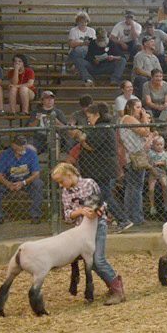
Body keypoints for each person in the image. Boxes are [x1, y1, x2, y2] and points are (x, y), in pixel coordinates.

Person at [52, 162, 126, 305]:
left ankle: (118, 291)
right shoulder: (66, 192)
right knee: (90, 263)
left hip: (98, 226)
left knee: (98, 260)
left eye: (62, 181)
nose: (61, 185)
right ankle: (113, 283)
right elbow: (67, 215)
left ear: (70, 175)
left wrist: (96, 211)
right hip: (81, 232)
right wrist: (80, 211)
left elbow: (101, 203)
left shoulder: (88, 183)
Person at [78, 103, 131, 232]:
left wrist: (81, 138)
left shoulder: (101, 128)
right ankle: (91, 221)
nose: (88, 119)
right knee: (96, 195)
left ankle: (123, 219)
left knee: (104, 194)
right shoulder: (102, 127)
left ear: (97, 115)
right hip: (100, 168)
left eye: (90, 116)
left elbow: (91, 146)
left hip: (101, 169)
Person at [0, 135, 42, 225]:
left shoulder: (31, 153)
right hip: (9, 180)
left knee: (38, 183)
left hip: (26, 181)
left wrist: (23, 183)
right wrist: (8, 184)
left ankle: (35, 215)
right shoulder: (6, 154)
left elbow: (36, 174)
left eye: (24, 144)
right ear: (13, 145)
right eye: (20, 145)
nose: (22, 147)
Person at [118, 99, 149, 225]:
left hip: (133, 155)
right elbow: (145, 131)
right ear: (130, 107)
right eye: (137, 107)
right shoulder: (128, 118)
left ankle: (132, 216)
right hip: (133, 157)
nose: (140, 110)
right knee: (135, 188)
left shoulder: (131, 119)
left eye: (141, 107)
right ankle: (136, 217)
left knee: (133, 187)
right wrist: (145, 118)